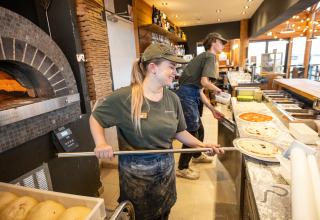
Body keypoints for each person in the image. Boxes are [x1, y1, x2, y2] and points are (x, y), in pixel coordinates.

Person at [89, 43, 224, 220]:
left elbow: (179, 132)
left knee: (164, 213)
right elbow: (96, 118)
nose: (176, 73)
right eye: (171, 67)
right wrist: (101, 143)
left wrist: (202, 145)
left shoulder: (173, 99)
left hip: (165, 177)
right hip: (136, 180)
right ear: (152, 67)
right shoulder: (125, 97)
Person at [176, 32, 227, 180]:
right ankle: (182, 168)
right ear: (213, 42)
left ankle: (197, 155)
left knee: (199, 127)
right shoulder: (210, 56)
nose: (222, 45)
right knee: (192, 132)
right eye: (221, 42)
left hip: (189, 94)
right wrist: (217, 89)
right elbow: (205, 82)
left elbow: (200, 91)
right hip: (186, 95)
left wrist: (212, 109)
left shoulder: (202, 57)